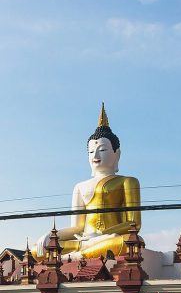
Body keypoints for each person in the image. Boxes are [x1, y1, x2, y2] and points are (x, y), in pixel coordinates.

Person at [31, 104, 141, 261]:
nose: (95, 155)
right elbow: (77, 227)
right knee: (37, 249)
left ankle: (74, 256)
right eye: (91, 151)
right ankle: (79, 253)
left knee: (125, 242)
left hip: (108, 239)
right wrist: (51, 235)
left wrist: (101, 235)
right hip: (84, 241)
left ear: (117, 154)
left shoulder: (127, 181)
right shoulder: (80, 186)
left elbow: (134, 223)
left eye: (102, 150)